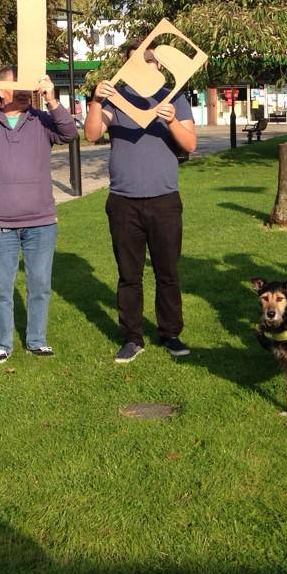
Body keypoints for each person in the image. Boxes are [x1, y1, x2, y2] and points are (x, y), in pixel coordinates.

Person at [0, 66, 78, 363]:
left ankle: (37, 339)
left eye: (26, 85)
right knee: (0, 289)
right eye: (14, 85)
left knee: (40, 286)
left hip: (41, 223)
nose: (22, 91)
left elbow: (70, 133)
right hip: (0, 225)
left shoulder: (41, 119)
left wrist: (52, 100)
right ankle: (2, 344)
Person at [85, 42, 197, 363]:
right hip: (123, 202)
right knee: (129, 275)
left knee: (168, 272)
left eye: (149, 62)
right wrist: (96, 101)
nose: (145, 67)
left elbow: (190, 143)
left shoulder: (175, 98)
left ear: (159, 66)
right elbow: (92, 134)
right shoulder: (115, 99)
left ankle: (171, 334)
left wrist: (173, 120)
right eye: (136, 62)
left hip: (164, 200)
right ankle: (132, 338)